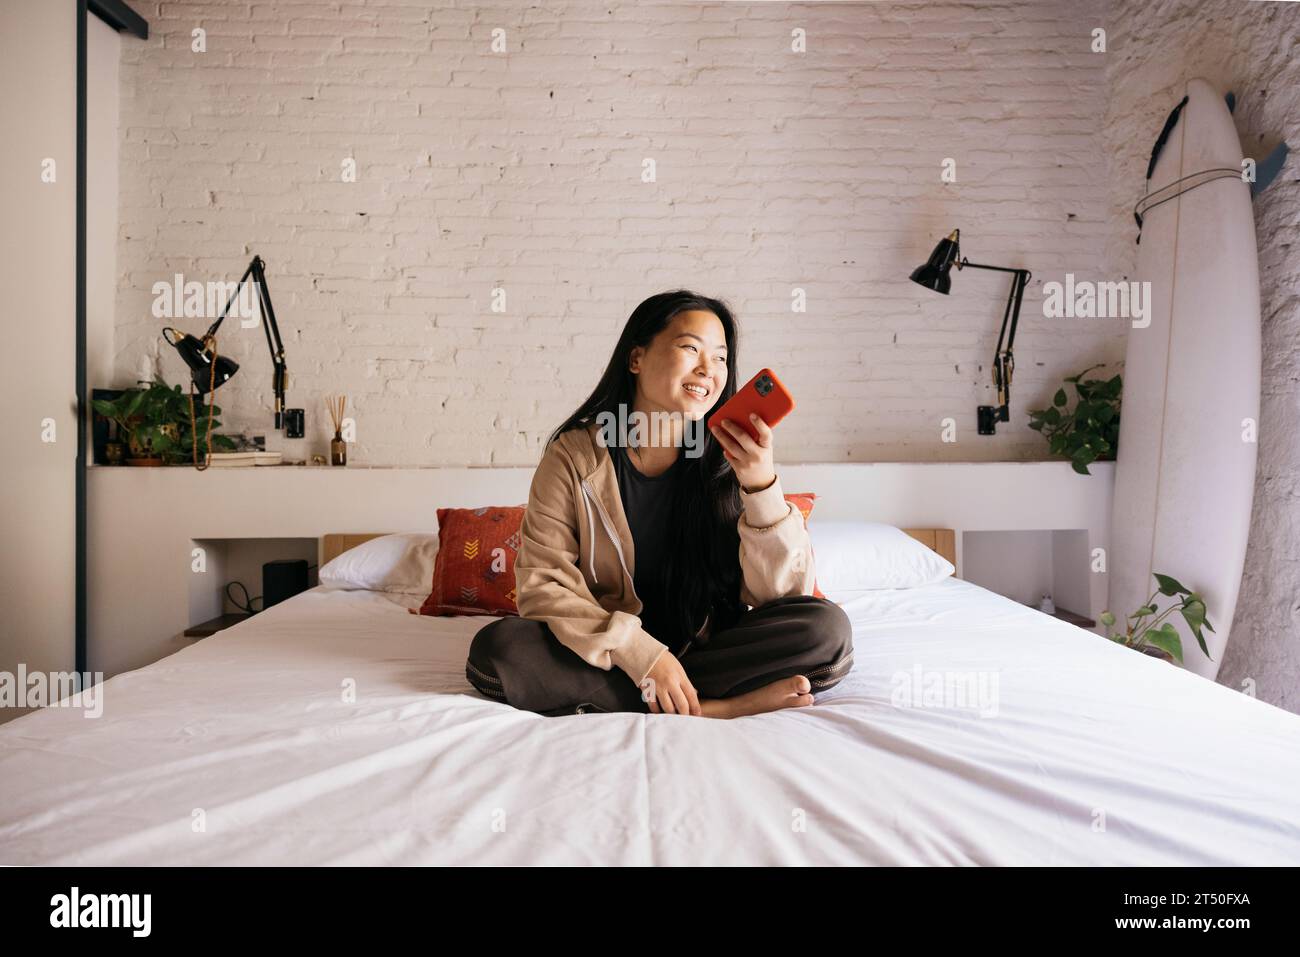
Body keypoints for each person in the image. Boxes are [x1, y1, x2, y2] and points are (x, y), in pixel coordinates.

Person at [465, 290, 853, 717]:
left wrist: (761, 485)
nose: (708, 369)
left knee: (826, 629)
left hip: (709, 646)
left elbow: (783, 596)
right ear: (637, 358)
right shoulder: (574, 458)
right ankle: (716, 707)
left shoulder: (731, 458)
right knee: (499, 649)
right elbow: (543, 585)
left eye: (720, 358)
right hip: (613, 653)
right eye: (691, 348)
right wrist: (642, 654)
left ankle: (662, 697)